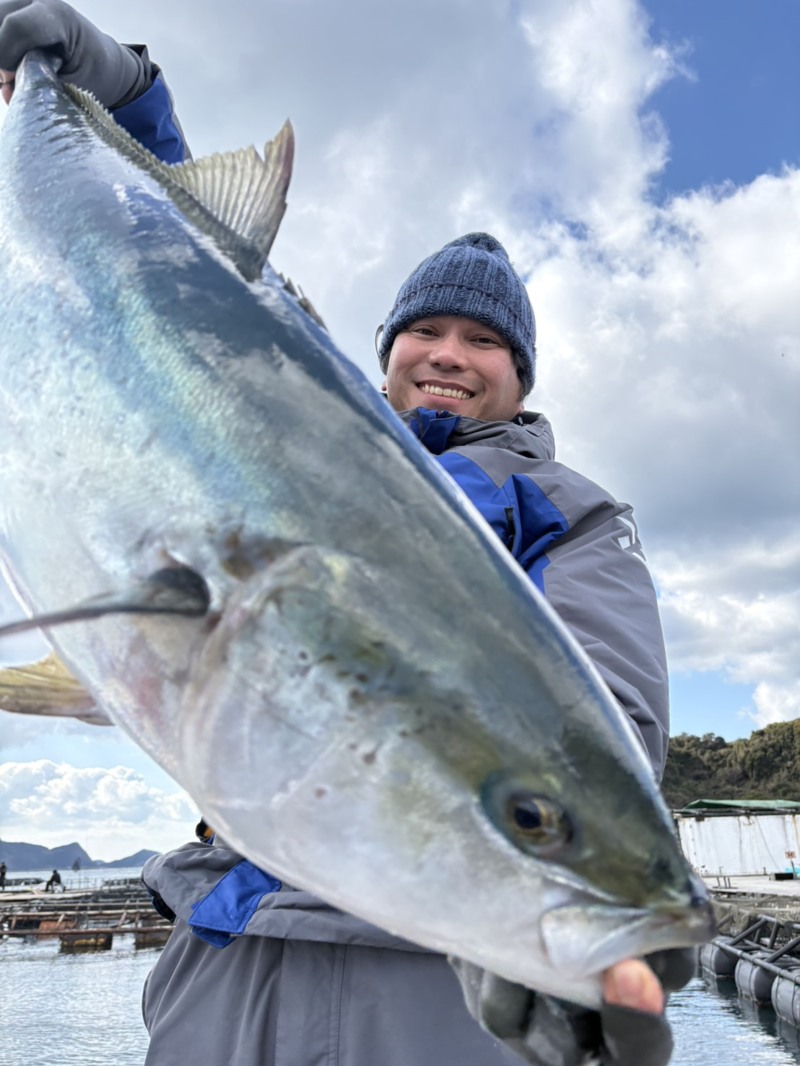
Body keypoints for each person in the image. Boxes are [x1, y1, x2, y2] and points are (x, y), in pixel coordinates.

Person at [0, 4, 694, 1064]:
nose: (450, 353)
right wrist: (121, 86)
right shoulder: (292, 401)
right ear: (386, 349)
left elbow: (605, 724)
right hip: (227, 973)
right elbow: (178, 280)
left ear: (521, 374)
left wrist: (544, 890)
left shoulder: (570, 508)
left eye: (484, 340)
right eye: (426, 328)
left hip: (428, 1005)